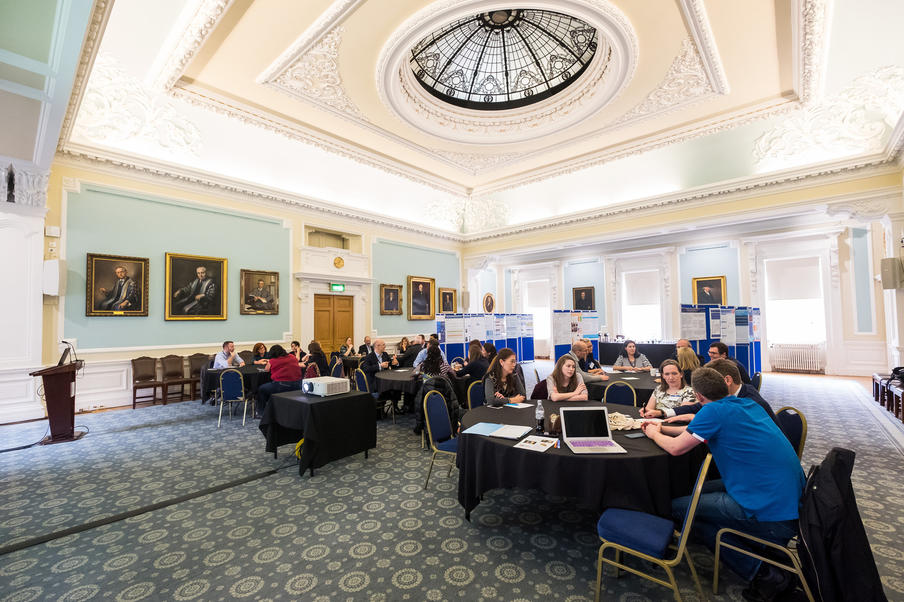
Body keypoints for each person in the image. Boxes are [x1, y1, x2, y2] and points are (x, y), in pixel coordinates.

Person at [641, 367, 805, 600]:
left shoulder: (714, 412)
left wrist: (653, 435)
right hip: (789, 501)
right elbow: (693, 430)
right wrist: (660, 427)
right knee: (692, 492)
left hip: (769, 513)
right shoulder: (747, 404)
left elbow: (676, 448)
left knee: (679, 509)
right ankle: (757, 553)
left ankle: (765, 573)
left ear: (698, 396)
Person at [647, 359, 780, 430]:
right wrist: (663, 413)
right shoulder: (733, 394)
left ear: (727, 380)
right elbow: (696, 407)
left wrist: (694, 418)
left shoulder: (751, 403)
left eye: (709, 382)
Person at [413, 343, 461, 434]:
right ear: (439, 354)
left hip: (427, 397)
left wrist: (421, 375)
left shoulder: (423, 365)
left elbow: (414, 373)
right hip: (444, 397)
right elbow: (454, 375)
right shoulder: (444, 365)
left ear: (428, 354)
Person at [255, 344, 302, 418]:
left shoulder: (273, 360)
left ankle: (261, 412)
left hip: (282, 385)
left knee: (262, 389)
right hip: (298, 385)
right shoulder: (292, 357)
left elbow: (267, 369)